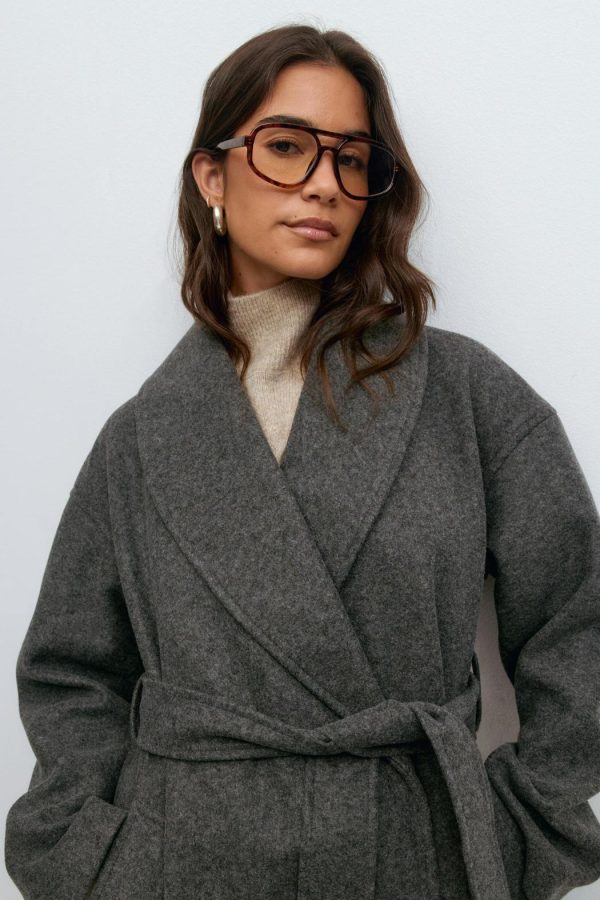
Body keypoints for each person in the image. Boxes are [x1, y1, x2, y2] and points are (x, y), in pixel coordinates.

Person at [5, 22, 600, 900]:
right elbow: (69, 672)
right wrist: (86, 855)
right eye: (286, 146)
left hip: (411, 854)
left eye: (352, 159)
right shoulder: (141, 436)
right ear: (212, 176)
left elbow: (580, 623)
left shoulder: (466, 395)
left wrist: (525, 828)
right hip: (181, 867)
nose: (325, 183)